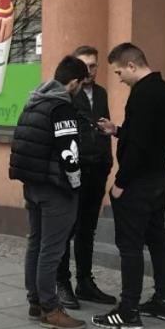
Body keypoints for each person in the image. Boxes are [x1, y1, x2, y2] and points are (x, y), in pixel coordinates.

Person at [93, 42, 165, 329]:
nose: (119, 78)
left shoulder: (142, 95)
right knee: (158, 240)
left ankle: (128, 310)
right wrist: (117, 130)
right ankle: (163, 300)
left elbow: (140, 146)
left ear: (132, 65)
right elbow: (152, 137)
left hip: (138, 183)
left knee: (130, 246)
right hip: (158, 178)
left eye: (120, 72)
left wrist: (120, 183)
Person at [9, 56, 89, 329]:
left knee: (36, 243)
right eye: (82, 84)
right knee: (51, 249)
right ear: (74, 83)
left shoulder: (34, 102)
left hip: (33, 185)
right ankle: (50, 308)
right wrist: (76, 184)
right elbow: (70, 154)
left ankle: (35, 300)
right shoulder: (61, 108)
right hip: (56, 189)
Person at [57, 45, 117, 307]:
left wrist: (107, 159)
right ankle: (62, 282)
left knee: (87, 229)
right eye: (85, 66)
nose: (90, 71)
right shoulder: (68, 94)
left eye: (94, 66)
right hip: (75, 169)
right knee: (67, 228)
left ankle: (85, 281)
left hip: (97, 167)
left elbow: (103, 125)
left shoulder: (101, 93)